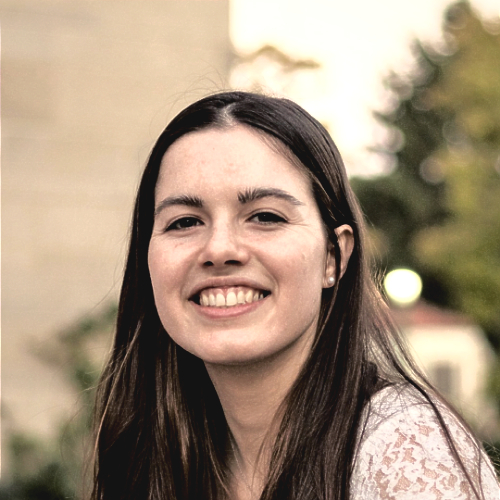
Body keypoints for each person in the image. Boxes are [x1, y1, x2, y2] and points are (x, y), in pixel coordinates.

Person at [90, 91, 499, 500]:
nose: (218, 250)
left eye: (265, 217)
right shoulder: (151, 454)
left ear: (334, 257)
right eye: (183, 222)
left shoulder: (406, 460)